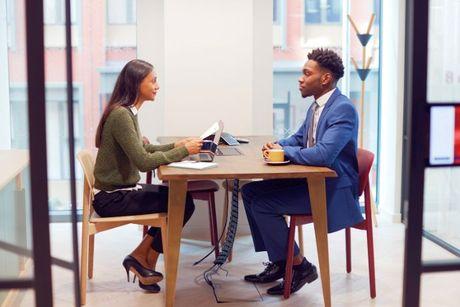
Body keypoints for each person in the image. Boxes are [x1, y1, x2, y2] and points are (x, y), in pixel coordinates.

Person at [242, 48, 364, 295]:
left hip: (332, 190)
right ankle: (281, 262)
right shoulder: (317, 107)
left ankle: (300, 266)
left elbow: (323, 154)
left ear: (325, 78)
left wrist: (285, 154)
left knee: (263, 204)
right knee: (250, 191)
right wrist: (278, 146)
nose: (300, 78)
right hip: (313, 182)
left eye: (306, 73)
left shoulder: (343, 109)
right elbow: (299, 138)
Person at [92, 59, 203, 293]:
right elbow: (143, 162)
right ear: (136, 83)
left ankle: (142, 260)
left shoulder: (127, 112)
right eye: (153, 81)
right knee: (182, 202)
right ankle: (143, 260)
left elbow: (144, 150)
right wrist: (184, 151)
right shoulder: (122, 115)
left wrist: (177, 144)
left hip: (119, 192)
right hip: (112, 199)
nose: (157, 86)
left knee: (180, 200)